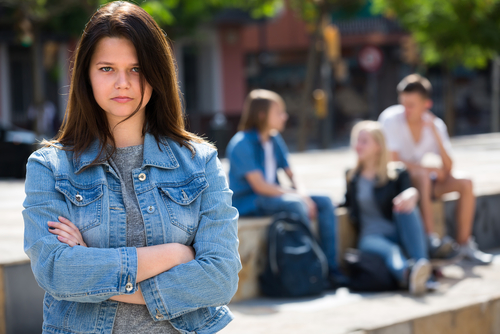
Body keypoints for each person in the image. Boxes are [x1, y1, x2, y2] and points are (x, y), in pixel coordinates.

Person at [22, 2, 241, 333]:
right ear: (86, 75)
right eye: (107, 68)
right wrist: (176, 254)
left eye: (136, 69)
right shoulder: (50, 167)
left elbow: (220, 279)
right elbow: (56, 271)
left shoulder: (200, 162)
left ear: (156, 75)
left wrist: (95, 271)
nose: (122, 82)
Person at [226, 89, 341, 285]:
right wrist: (299, 198)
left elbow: (291, 174)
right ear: (262, 115)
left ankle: (330, 268)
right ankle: (312, 265)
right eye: (278, 112)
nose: (284, 116)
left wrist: (303, 194)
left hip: (273, 196)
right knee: (295, 205)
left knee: (325, 202)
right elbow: (261, 186)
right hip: (250, 201)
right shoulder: (241, 144)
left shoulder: (274, 139)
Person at [378, 74, 492, 265]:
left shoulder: (435, 125)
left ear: (427, 104)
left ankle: (464, 244)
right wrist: (427, 168)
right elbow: (394, 163)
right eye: (403, 103)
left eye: (412, 105)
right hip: (397, 182)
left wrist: (434, 133)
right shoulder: (391, 119)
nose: (406, 109)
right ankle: (431, 239)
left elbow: (448, 167)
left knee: (466, 183)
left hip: (423, 183)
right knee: (423, 175)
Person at [342, 121, 431, 295]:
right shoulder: (352, 176)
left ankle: (423, 267)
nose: (358, 146)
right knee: (392, 251)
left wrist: (412, 194)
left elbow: (408, 192)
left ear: (378, 146)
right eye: (357, 141)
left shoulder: (397, 173)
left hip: (396, 230)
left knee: (406, 206)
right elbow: (345, 202)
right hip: (371, 236)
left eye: (364, 141)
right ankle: (409, 275)